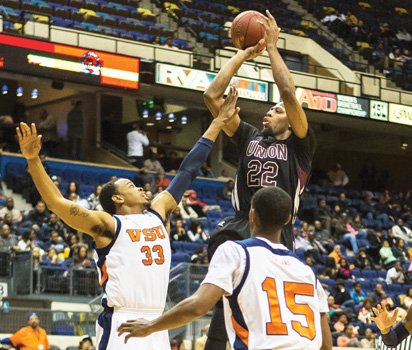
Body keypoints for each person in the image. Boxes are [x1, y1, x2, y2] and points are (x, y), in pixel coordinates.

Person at [15, 91, 237, 350]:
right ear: (118, 199)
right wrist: (33, 160)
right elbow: (57, 204)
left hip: (158, 320)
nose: (142, 188)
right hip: (123, 321)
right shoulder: (109, 225)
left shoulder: (158, 211)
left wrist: (217, 123)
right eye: (132, 186)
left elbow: (188, 169)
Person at [203, 11, 316, 349]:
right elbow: (211, 97)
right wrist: (242, 54)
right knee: (224, 305)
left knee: (264, 305)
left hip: (280, 231)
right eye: (269, 109)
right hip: (241, 224)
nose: (270, 111)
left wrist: (271, 48)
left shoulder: (301, 146)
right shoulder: (249, 135)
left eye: (277, 110)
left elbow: (288, 93)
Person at [117, 187, 332, 350]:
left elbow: (198, 306)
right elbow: (325, 345)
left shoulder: (236, 252)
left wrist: (150, 326)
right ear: (288, 220)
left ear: (252, 215)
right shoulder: (307, 272)